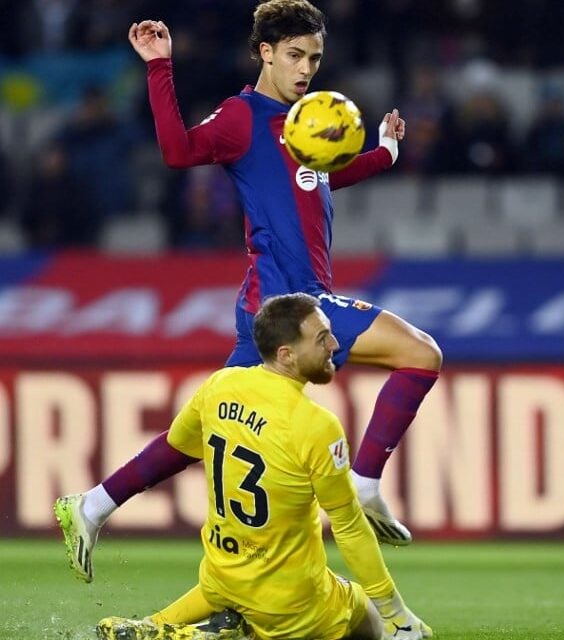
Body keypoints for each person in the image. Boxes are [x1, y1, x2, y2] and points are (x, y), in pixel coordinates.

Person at [56, 0, 442, 584]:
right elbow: (177, 152)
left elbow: (328, 175)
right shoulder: (243, 117)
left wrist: (385, 152)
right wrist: (160, 66)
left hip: (272, 307)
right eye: (294, 55)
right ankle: (362, 484)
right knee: (421, 354)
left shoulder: (308, 122)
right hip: (287, 304)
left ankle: (93, 506)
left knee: (205, 426)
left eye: (314, 56)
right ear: (265, 52)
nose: (306, 67)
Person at [94, 293, 432, 640]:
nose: (335, 344)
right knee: (376, 621)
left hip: (223, 577)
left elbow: (176, 447)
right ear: (286, 355)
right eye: (321, 339)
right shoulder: (316, 425)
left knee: (230, 591)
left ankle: (158, 626)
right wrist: (396, 614)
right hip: (292, 602)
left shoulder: (218, 386)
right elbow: (348, 528)